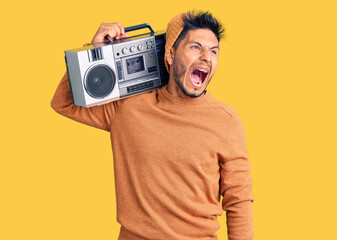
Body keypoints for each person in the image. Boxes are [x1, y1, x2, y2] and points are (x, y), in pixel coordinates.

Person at [51, 11, 254, 240]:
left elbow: (239, 201)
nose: (207, 57)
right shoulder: (128, 107)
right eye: (196, 47)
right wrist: (93, 53)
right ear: (170, 54)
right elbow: (64, 103)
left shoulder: (226, 121)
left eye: (214, 51)